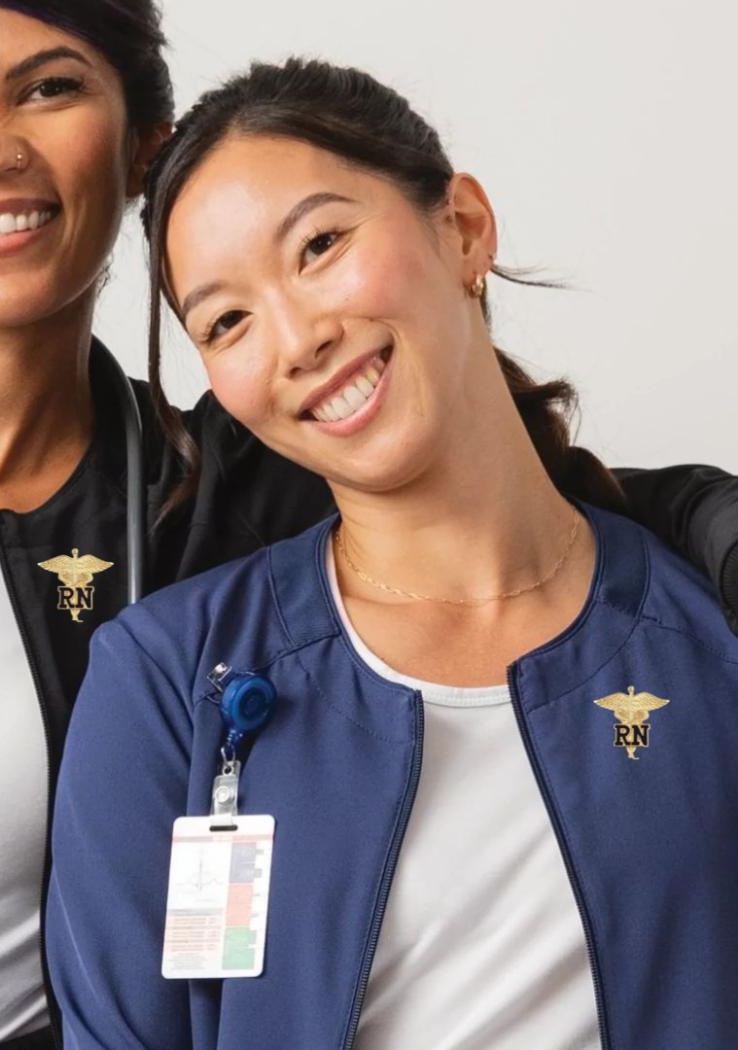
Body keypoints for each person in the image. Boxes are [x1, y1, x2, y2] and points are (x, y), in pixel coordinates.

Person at [46, 58, 738, 1049]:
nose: (296, 338)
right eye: (227, 320)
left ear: (462, 227)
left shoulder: (708, 630)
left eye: (320, 245)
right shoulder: (165, 681)